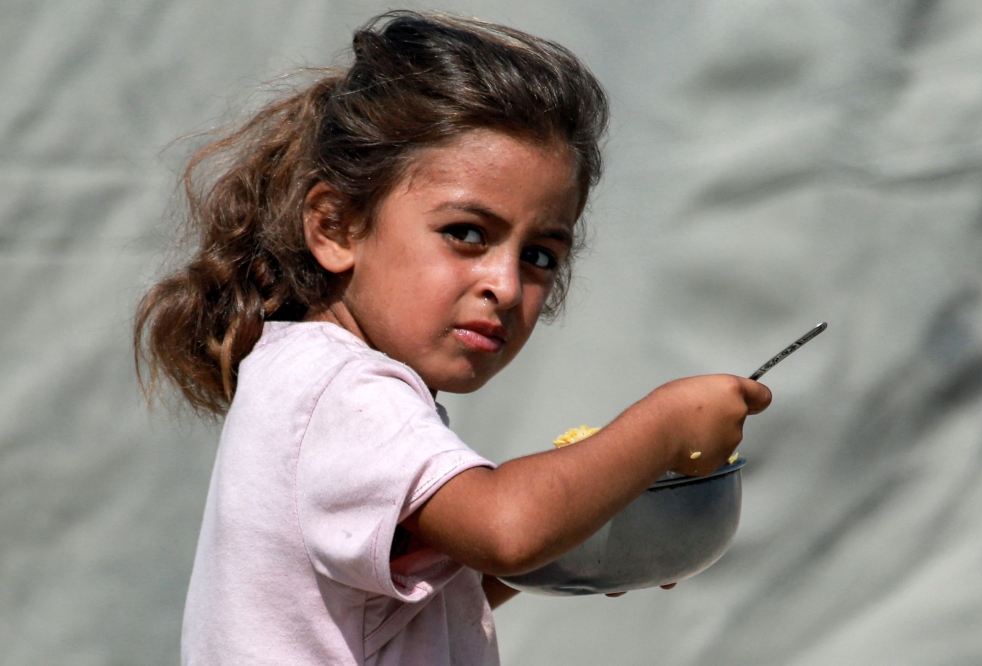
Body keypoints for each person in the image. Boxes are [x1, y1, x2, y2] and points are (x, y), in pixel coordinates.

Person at [134, 10, 772, 665]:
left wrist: (594, 541)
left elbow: (396, 614)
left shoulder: (314, 379)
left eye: (541, 256)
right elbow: (505, 528)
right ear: (336, 227)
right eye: (467, 233)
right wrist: (663, 425)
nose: (504, 281)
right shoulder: (344, 392)